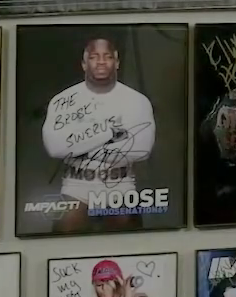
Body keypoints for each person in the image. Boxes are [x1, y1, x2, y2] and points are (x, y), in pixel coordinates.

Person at [41, 36, 157, 230]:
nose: (101, 62)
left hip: (121, 185)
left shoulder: (137, 100)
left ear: (117, 63)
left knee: (128, 235)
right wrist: (111, 135)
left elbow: (142, 149)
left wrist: (78, 145)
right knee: (64, 233)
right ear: (84, 64)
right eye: (94, 57)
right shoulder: (63, 100)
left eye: (107, 56)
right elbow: (55, 147)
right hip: (76, 186)